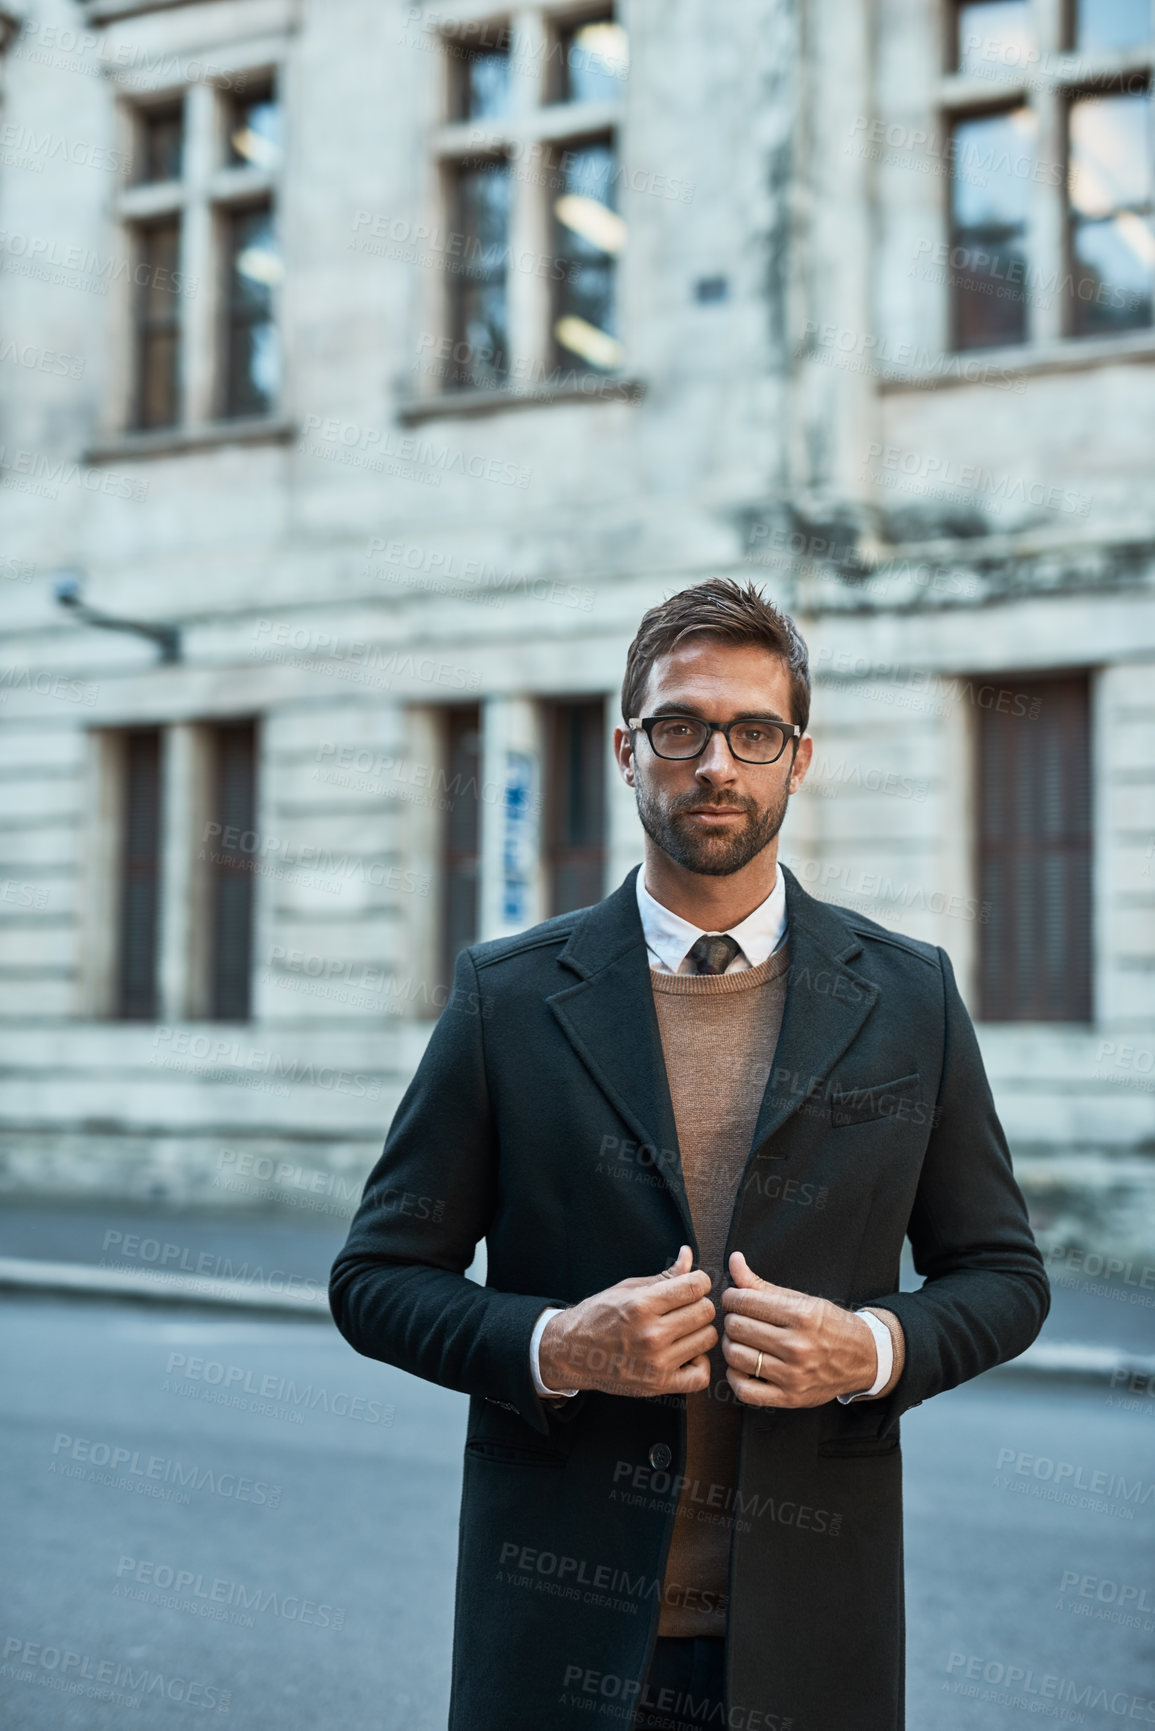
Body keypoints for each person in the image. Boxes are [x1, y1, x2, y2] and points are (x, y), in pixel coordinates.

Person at [330, 577, 1049, 1731]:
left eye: (753, 732)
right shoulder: (506, 1000)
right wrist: (556, 1344)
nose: (716, 763)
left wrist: (868, 1348)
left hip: (811, 1639)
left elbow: (1006, 1279)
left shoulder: (908, 998)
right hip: (561, 1634)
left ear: (797, 760)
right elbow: (372, 1280)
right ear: (627, 749)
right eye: (680, 727)